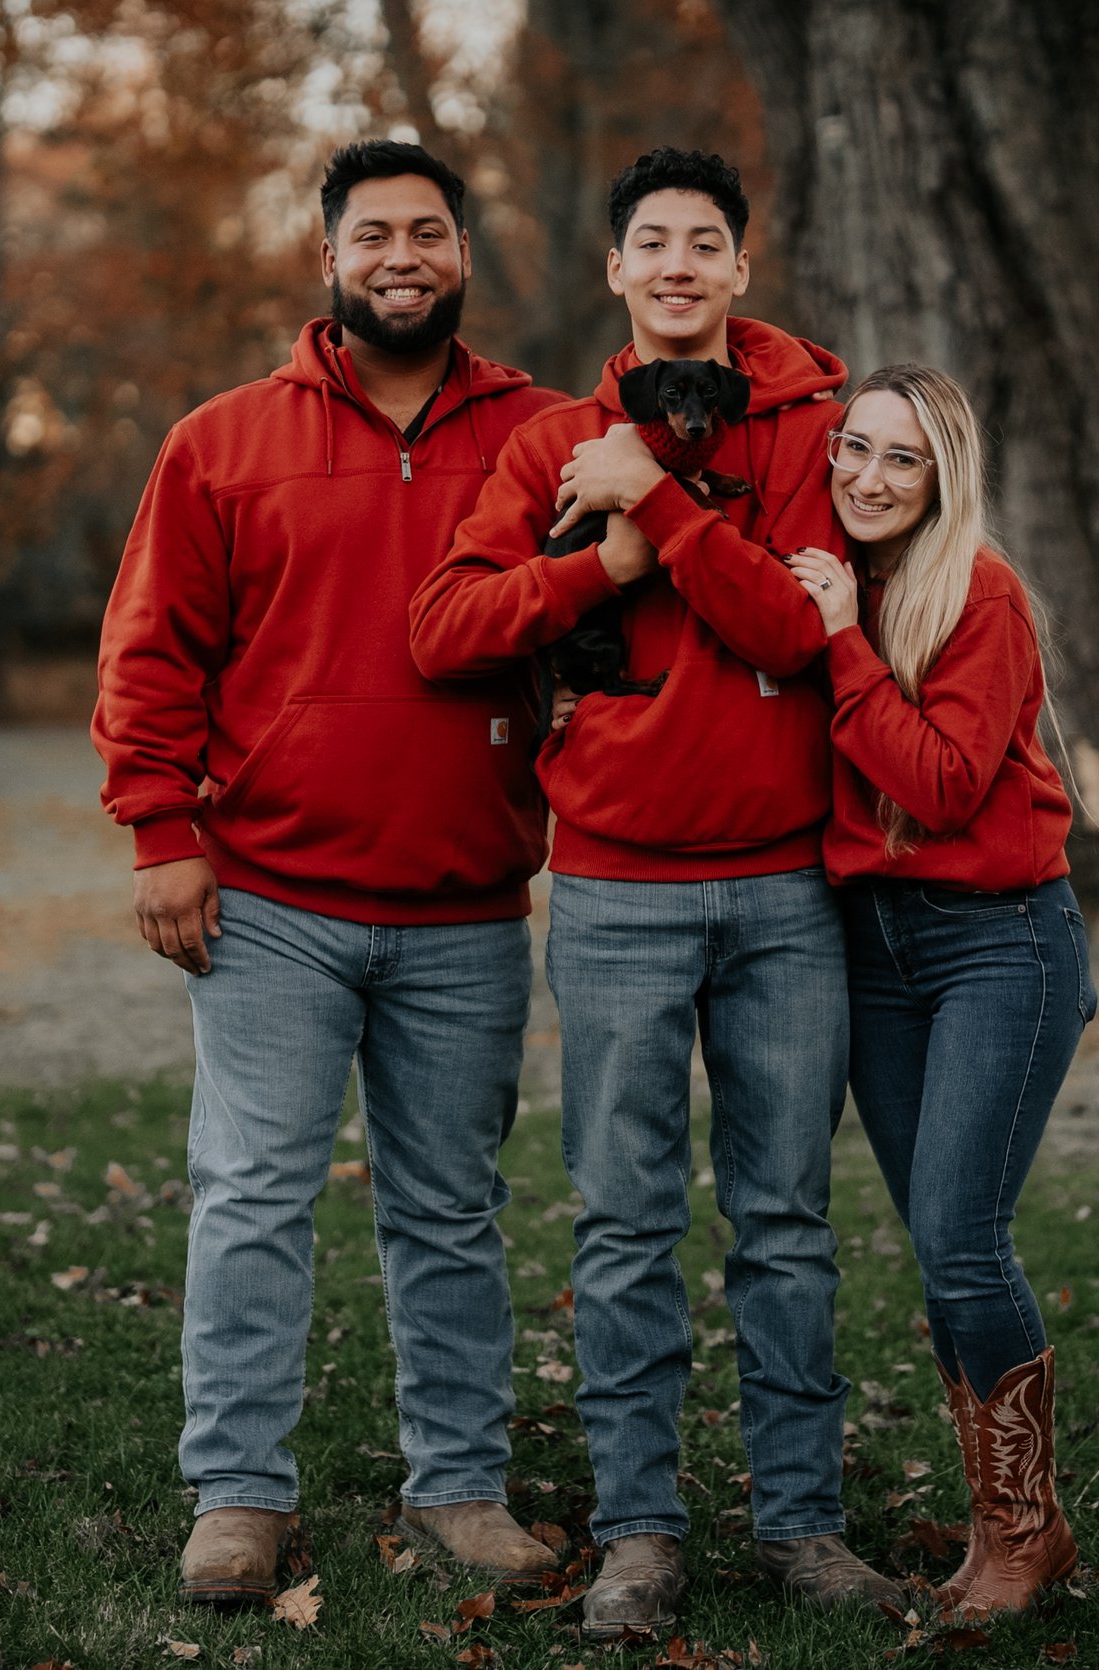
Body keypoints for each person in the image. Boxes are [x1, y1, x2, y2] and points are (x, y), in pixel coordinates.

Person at [409, 149, 903, 1637]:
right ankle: (640, 1528)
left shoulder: (819, 437)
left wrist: (667, 507)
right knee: (623, 1225)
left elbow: (801, 633)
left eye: (706, 241)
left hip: (786, 893)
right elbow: (448, 626)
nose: (679, 262)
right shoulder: (553, 442)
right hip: (618, 890)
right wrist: (602, 547)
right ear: (614, 273)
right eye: (651, 243)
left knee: (786, 1220)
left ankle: (803, 1524)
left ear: (741, 269)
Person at [92, 140, 569, 1608]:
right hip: (274, 900)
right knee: (248, 1192)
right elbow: (152, 648)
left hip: (466, 899)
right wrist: (162, 831)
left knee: (450, 1206)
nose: (403, 255)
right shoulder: (223, 440)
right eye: (375, 234)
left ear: (466, 257)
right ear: (329, 260)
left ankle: (462, 1485)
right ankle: (238, 1493)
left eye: (430, 231)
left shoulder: (546, 436)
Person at [783, 364, 1094, 1620]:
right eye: (852, 447)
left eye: (899, 459)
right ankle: (993, 1527)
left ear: (942, 474)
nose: (866, 475)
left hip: (998, 943)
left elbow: (949, 782)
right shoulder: (833, 579)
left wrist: (842, 650)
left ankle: (1028, 1529)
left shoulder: (980, 594)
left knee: (966, 1236)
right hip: (876, 944)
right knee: (938, 1244)